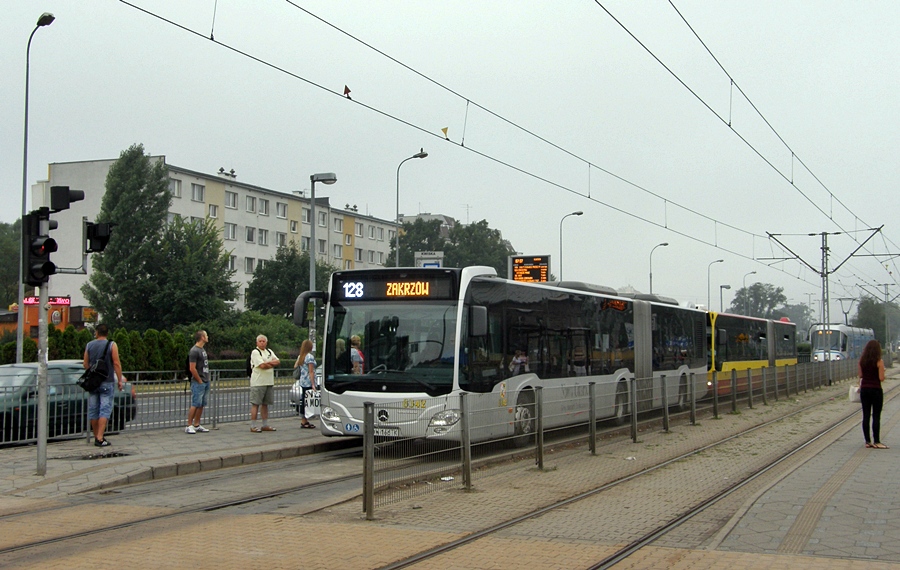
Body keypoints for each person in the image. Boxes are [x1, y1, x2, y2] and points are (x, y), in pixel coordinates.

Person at [82, 324, 124, 447]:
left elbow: (85, 363)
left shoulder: (89, 345)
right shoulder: (112, 345)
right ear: (107, 333)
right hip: (107, 381)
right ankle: (100, 438)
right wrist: (120, 380)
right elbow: (116, 363)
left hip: (93, 383)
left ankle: (96, 436)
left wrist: (93, 373)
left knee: (93, 410)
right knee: (105, 409)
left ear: (96, 332)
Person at [858, 339, 888, 449]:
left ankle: (867, 441)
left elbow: (861, 375)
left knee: (866, 415)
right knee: (876, 416)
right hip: (876, 390)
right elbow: (881, 378)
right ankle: (877, 441)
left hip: (865, 390)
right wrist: (883, 372)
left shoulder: (862, 361)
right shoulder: (879, 361)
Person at [250, 334, 280, 432]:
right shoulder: (255, 352)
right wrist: (270, 363)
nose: (262, 343)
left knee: (265, 404)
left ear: (266, 342)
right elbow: (261, 366)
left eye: (264, 341)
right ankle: (253, 425)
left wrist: (267, 363)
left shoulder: (269, 351)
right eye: (260, 341)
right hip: (258, 382)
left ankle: (265, 424)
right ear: (257, 343)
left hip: (268, 381)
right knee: (256, 404)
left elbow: (278, 361)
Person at [186, 330, 211, 434]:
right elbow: (192, 368)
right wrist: (199, 380)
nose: (207, 337)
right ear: (202, 337)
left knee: (201, 404)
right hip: (198, 381)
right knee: (195, 403)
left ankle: (197, 424)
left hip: (205, 380)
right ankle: (189, 425)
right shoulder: (194, 351)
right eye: (206, 335)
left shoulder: (202, 349)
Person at [294, 339, 318, 428]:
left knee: (303, 400)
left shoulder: (301, 356)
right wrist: (313, 384)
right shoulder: (309, 357)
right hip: (308, 381)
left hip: (302, 381)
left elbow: (295, 366)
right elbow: (311, 371)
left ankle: (304, 420)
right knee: (308, 401)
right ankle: (305, 420)